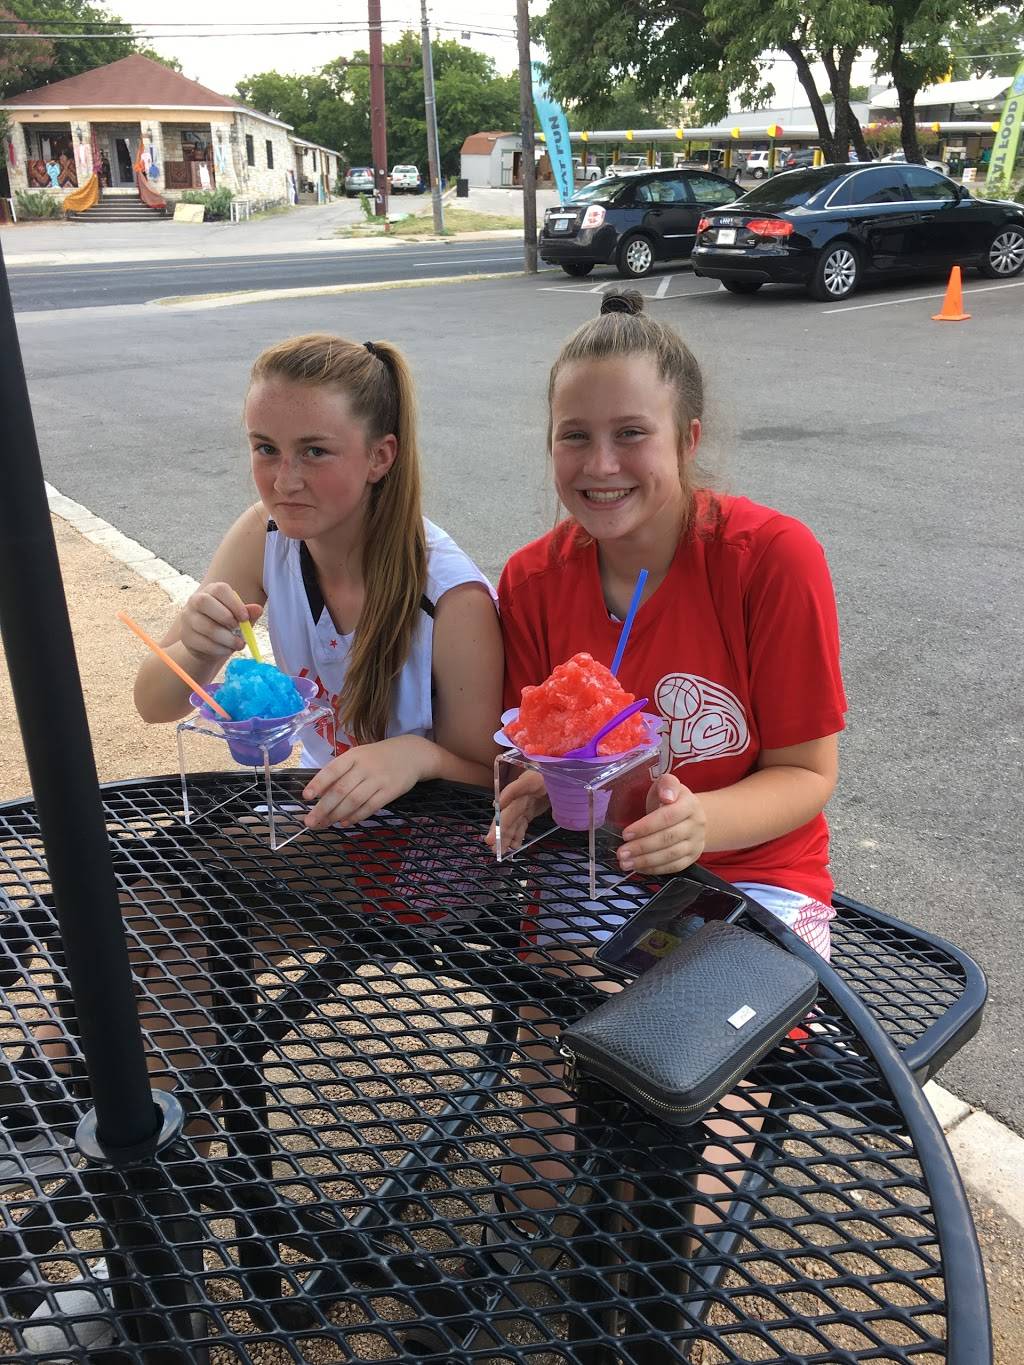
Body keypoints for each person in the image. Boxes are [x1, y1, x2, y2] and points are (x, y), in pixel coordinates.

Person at [17, 332, 504, 1352]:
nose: (284, 478)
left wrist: (413, 754)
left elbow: (488, 774)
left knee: (188, 954)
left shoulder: (447, 595)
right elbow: (156, 703)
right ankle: (68, 1112)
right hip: (312, 826)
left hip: (431, 857)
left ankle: (130, 1237)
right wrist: (191, 645)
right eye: (262, 447)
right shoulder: (267, 533)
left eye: (315, 451)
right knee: (122, 910)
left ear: (379, 456)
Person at [485, 290, 846, 1252]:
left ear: (686, 439)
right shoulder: (531, 578)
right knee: (538, 1183)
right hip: (597, 869)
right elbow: (556, 749)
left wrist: (701, 825)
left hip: (754, 880)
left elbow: (808, 772)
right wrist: (534, 781)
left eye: (630, 434)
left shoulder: (768, 558)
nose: (600, 466)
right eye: (575, 436)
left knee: (671, 1188)